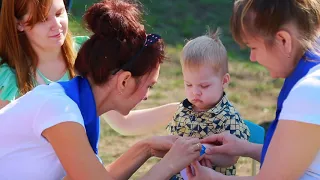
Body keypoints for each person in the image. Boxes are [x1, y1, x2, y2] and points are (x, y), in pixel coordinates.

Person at [0, 1, 203, 180]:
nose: (147, 95)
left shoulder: (72, 104)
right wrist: (169, 164)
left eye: (59, 13)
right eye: (149, 85)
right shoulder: (60, 111)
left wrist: (147, 148)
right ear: (123, 81)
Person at [185, 0, 320, 179]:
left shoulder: (308, 93)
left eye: (253, 47)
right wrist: (244, 148)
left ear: (283, 40)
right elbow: (300, 158)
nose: (252, 57)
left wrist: (212, 178)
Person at [0, 0, 179, 132]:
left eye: (59, 13)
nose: (56, 25)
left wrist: (182, 110)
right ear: (19, 24)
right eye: (42, 19)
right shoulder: (8, 77)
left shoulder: (86, 53)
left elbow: (124, 123)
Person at [166, 30, 250, 180]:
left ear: (224, 81)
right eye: (189, 84)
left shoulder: (228, 116)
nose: (195, 92)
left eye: (204, 86)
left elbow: (233, 157)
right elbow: (171, 140)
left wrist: (203, 154)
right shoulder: (182, 111)